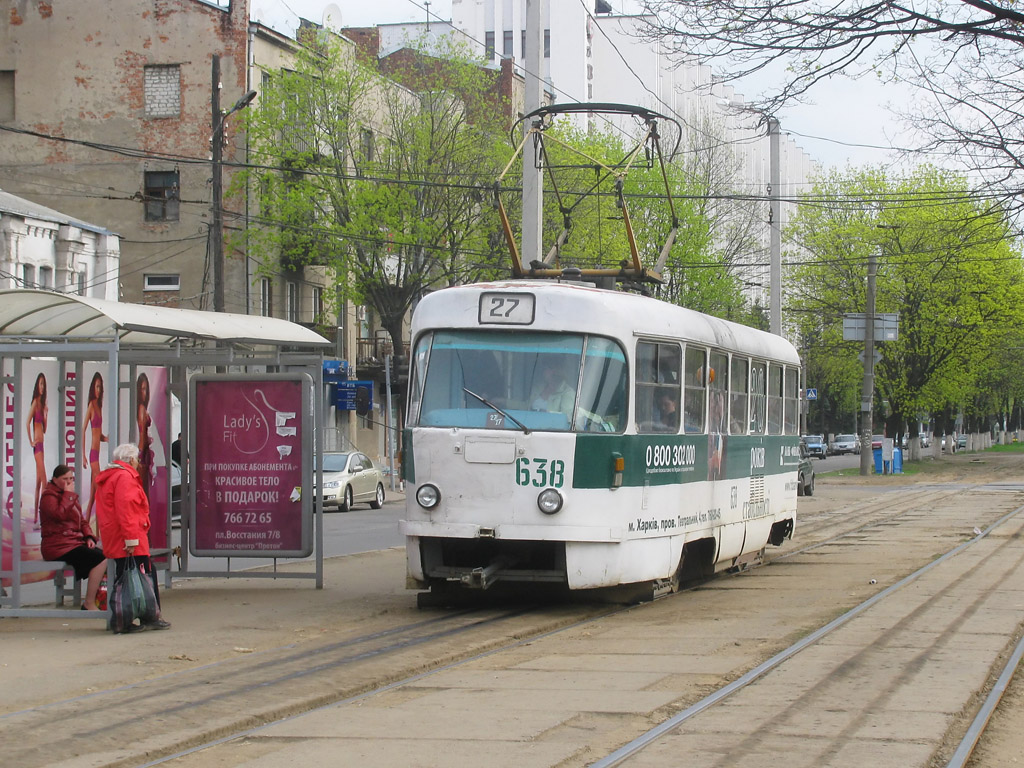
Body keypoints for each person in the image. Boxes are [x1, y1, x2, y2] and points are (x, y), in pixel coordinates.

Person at [95, 443, 170, 632]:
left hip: (119, 536)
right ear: (131, 459)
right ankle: (139, 617)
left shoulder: (111, 476)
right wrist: (130, 540)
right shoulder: (125, 477)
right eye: (136, 458)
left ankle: (129, 618)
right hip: (130, 538)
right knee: (142, 576)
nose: (138, 463)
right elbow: (126, 510)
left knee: (126, 577)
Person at [39, 465, 108, 610]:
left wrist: (89, 537)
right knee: (100, 559)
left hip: (72, 543)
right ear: (55, 479)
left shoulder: (68, 496)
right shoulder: (48, 496)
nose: (68, 482)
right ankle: (89, 602)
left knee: (104, 555)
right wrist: (68, 495)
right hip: (57, 547)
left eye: (71, 479)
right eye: (65, 479)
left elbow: (81, 521)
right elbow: (60, 515)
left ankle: (99, 599)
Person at [81, 372, 107, 523]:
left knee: (92, 496)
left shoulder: (99, 406)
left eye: (100, 387)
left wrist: (106, 438)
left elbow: (98, 433)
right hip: (92, 454)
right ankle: (97, 530)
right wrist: (83, 454)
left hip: (96, 452)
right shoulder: (91, 405)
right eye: (96, 386)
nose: (98, 389)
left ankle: (85, 527)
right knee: (99, 493)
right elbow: (84, 429)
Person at [26, 372, 48, 525]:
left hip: (42, 445)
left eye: (43, 384)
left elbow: (44, 428)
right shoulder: (35, 402)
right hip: (37, 447)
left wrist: (46, 414)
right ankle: (45, 517)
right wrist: (30, 441)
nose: (41, 387)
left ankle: (36, 517)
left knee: (38, 483)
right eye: (40, 384)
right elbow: (28, 422)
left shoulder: (42, 405)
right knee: (45, 482)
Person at [137, 373, 153, 499]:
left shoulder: (143, 408)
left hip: (144, 452)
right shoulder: (142, 408)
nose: (144, 392)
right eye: (142, 389)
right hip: (142, 453)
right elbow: (142, 434)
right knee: (143, 493)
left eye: (146, 389)